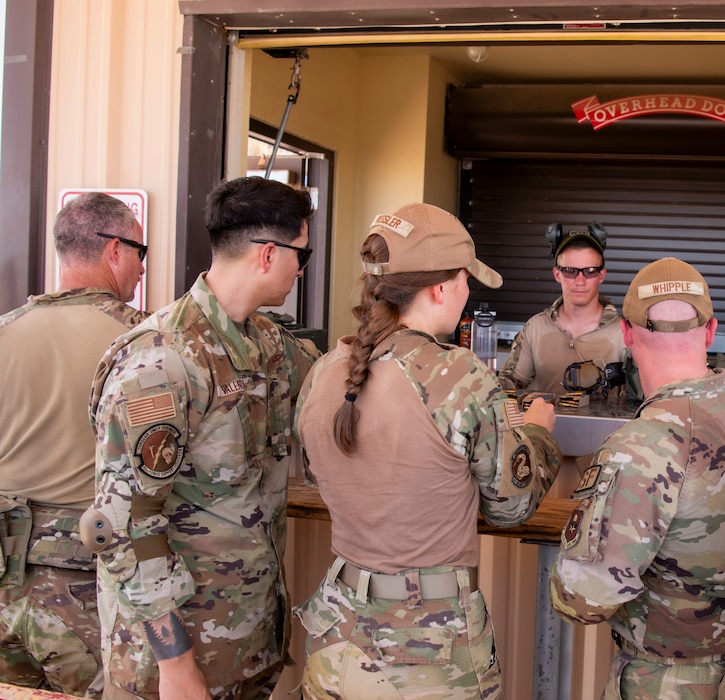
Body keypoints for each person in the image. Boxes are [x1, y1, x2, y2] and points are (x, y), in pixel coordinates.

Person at [292, 202, 563, 699]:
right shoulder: (458, 374)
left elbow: (319, 474)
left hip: (336, 633)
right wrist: (541, 434)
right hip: (428, 649)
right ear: (442, 286)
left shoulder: (326, 369)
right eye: (466, 281)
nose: (466, 293)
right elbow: (511, 507)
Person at [83, 176, 320, 699]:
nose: (302, 270)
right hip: (173, 663)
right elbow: (124, 523)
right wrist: (176, 664)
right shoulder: (161, 359)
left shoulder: (267, 344)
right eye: (302, 254)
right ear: (267, 254)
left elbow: (338, 380)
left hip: (248, 644)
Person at [550, 257, 725, 700]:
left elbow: (580, 601)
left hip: (672, 682)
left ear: (625, 333)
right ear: (711, 330)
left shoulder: (637, 450)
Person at [0, 192, 148, 696]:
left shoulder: (5, 332)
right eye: (139, 253)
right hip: (84, 586)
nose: (142, 270)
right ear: (114, 249)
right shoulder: (142, 343)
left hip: (5, 579)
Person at [498, 222, 628, 396]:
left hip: (606, 424)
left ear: (601, 275)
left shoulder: (624, 333)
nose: (580, 281)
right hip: (545, 423)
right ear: (557, 274)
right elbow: (509, 385)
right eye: (570, 270)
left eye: (590, 271)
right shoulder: (536, 328)